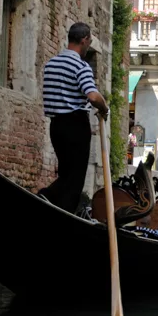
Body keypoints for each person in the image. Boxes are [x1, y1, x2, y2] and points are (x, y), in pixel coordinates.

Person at [38, 22, 109, 213]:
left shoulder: (51, 64)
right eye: (89, 41)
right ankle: (48, 199)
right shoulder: (80, 66)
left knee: (66, 174)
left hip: (56, 126)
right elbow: (92, 96)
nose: (88, 45)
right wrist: (104, 107)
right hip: (75, 125)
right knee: (75, 180)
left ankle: (50, 204)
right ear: (84, 40)